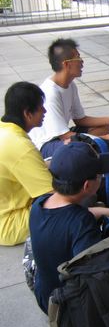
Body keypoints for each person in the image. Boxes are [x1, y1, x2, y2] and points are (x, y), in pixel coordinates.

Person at [29, 142, 109, 314]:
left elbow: (68, 219)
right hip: (68, 305)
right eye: (99, 175)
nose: (101, 177)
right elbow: (94, 274)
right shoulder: (81, 223)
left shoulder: (39, 204)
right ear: (87, 186)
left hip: (44, 293)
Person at [28, 38, 109, 159]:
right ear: (66, 64)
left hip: (61, 135)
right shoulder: (51, 93)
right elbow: (65, 136)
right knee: (79, 147)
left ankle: (93, 148)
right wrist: (106, 139)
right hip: (47, 144)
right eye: (78, 57)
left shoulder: (70, 85)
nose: (82, 61)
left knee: (105, 126)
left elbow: (80, 119)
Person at [0, 82, 53, 246]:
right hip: (10, 223)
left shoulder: (6, 130)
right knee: (79, 201)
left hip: (7, 205)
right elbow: (53, 196)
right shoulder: (20, 145)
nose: (44, 112)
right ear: (27, 113)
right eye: (40, 108)